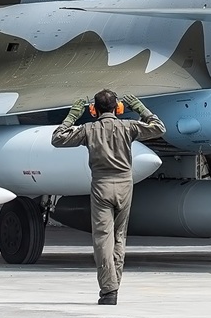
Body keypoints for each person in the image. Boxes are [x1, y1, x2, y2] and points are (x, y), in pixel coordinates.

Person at [50, 89, 166, 306]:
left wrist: (72, 116)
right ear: (118, 108)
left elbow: (57, 139)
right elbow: (159, 128)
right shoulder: (128, 127)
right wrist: (140, 108)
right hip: (125, 187)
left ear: (93, 110)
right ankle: (113, 286)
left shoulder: (88, 129)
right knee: (119, 236)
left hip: (101, 187)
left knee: (103, 239)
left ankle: (109, 290)